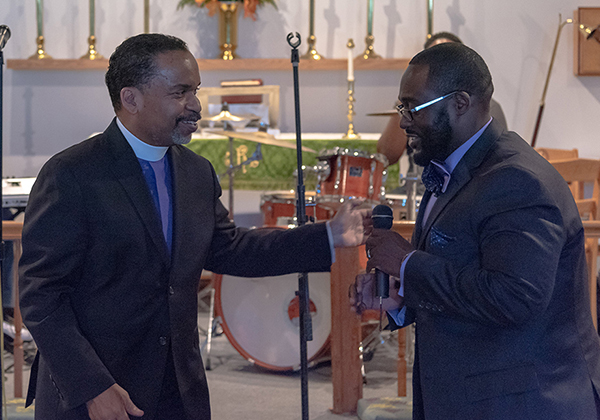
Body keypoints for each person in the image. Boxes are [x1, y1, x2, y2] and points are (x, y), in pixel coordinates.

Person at [18, 33, 370, 420]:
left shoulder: (195, 172)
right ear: (131, 98)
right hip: (95, 390)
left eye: (196, 90)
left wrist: (329, 236)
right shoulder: (72, 174)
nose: (196, 105)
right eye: (180, 92)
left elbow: (230, 249)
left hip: (178, 389)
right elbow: (41, 294)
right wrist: (91, 386)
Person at [350, 42, 600, 419]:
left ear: (460, 103)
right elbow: (462, 276)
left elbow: (513, 297)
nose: (403, 121)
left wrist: (407, 264)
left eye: (413, 107)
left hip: (521, 402)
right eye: (401, 108)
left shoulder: (517, 181)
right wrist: (402, 295)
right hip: (470, 394)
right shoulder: (453, 167)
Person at [377, 32, 508, 167]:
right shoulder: (413, 105)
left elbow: (494, 158)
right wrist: (409, 99)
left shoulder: (486, 106)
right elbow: (386, 156)